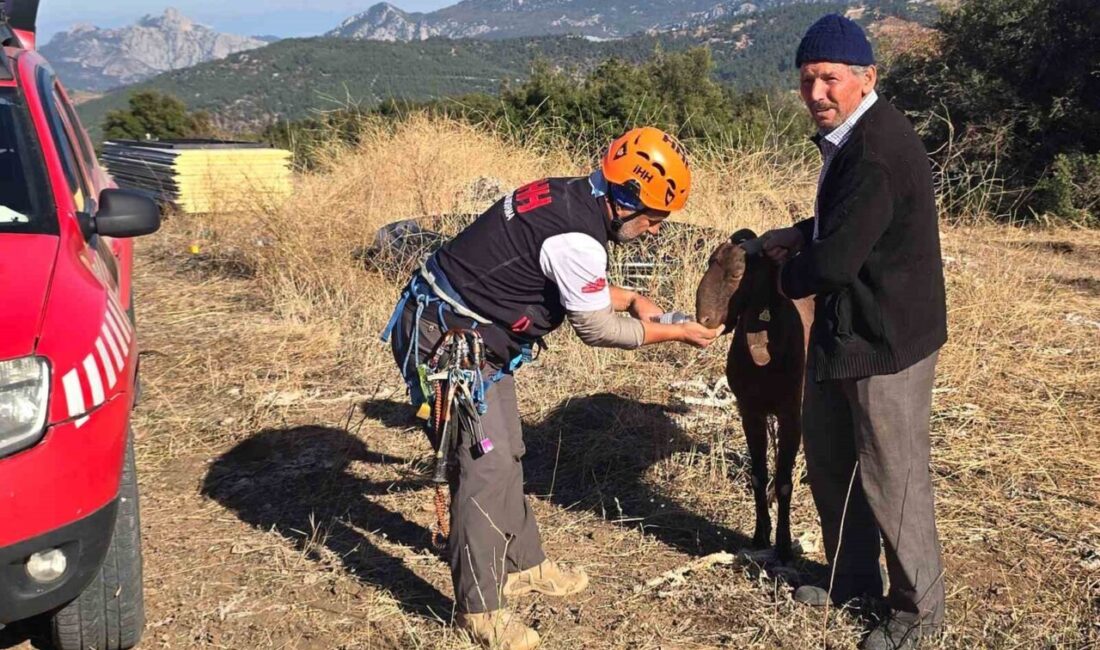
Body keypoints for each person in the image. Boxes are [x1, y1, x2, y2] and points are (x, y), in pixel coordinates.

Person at [382, 126, 721, 649]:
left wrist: (631, 298)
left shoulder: (571, 195)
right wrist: (673, 331)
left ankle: (522, 563)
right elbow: (596, 329)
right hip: (447, 340)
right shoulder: (579, 237)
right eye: (655, 218)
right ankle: (480, 610)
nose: (656, 230)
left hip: (467, 333)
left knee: (507, 450)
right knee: (482, 466)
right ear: (626, 201)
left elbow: (559, 272)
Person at [761, 14, 949, 650]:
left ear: (867, 76)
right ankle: (850, 581)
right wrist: (803, 232)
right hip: (853, 329)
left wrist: (786, 276)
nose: (816, 93)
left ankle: (918, 614)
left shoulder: (873, 150)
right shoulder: (851, 137)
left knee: (894, 478)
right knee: (834, 458)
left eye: (830, 79)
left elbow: (837, 263)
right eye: (807, 80)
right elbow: (844, 230)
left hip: (885, 338)